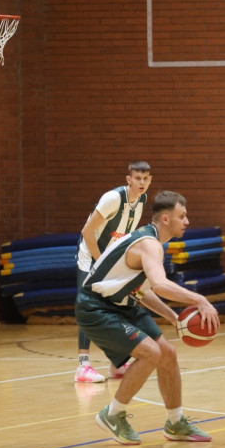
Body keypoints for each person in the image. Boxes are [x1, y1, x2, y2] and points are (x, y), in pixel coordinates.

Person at [77, 190, 220, 446]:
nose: (187, 222)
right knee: (151, 352)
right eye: (182, 216)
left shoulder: (149, 240)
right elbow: (160, 284)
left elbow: (140, 290)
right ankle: (113, 415)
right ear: (165, 219)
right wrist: (200, 299)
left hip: (123, 303)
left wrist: (173, 316)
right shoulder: (149, 244)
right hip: (96, 307)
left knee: (167, 354)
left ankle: (175, 422)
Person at [74, 161, 152, 383]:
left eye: (146, 178)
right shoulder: (112, 199)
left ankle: (117, 364)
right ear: (128, 180)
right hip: (90, 255)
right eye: (137, 178)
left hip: (109, 257)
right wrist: (99, 263)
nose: (142, 183)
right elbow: (87, 231)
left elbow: (126, 236)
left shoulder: (142, 201)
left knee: (119, 303)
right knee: (86, 304)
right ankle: (83, 365)